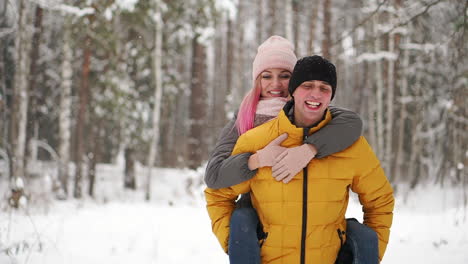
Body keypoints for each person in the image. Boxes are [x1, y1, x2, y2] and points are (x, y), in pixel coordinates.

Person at [205, 55, 394, 264]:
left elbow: (380, 201)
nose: (316, 93)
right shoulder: (257, 140)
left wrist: (371, 254)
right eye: (307, 85)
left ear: (331, 95)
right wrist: (237, 244)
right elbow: (218, 195)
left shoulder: (352, 146)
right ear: (292, 91)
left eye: (324, 87)